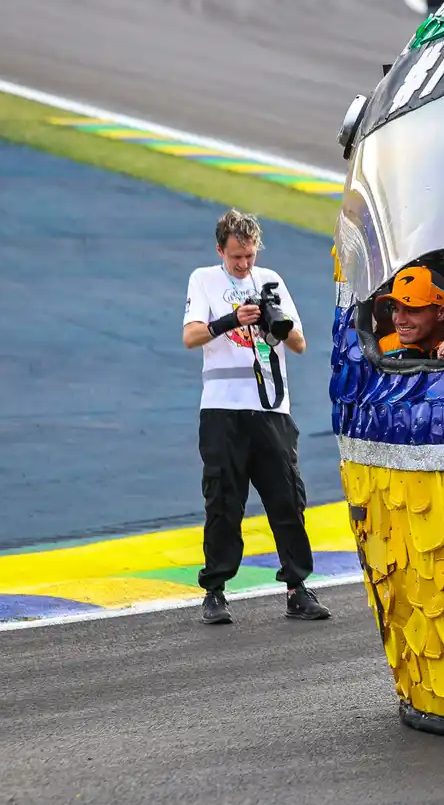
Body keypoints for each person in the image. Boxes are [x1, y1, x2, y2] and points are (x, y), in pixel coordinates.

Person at [181, 209, 329, 626]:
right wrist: (232, 319)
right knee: (223, 501)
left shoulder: (271, 281)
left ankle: (298, 588)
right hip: (222, 409)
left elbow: (298, 343)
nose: (243, 264)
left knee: (287, 500)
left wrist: (270, 324)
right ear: (220, 251)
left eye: (248, 256)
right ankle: (215, 591)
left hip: (271, 409)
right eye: (235, 258)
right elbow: (190, 336)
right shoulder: (204, 279)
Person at [377, 265, 444, 358]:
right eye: (395, 309)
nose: (399, 321)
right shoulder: (382, 349)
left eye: (411, 310)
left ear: (441, 313)